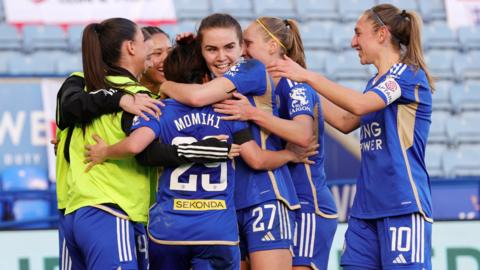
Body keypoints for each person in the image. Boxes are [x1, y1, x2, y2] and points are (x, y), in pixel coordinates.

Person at [84, 37, 314, 270]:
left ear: (171, 78)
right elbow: (256, 158)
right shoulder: (228, 110)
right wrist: (291, 155)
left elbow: (135, 146)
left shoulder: (158, 110)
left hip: (168, 230)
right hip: (217, 232)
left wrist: (105, 151)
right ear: (207, 79)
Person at [268, 4, 434, 269]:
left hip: (402, 205)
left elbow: (359, 106)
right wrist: (298, 86)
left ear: (381, 34)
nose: (353, 42)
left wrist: (309, 77)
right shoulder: (376, 84)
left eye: (358, 33)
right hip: (365, 209)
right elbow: (345, 121)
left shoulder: (407, 76)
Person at [158, 13, 308, 270]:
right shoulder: (209, 78)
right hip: (225, 206)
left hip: (265, 197)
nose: (221, 57)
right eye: (211, 49)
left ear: (242, 47)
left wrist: (166, 85)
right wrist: (186, 48)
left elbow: (197, 98)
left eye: (230, 47)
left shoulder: (249, 69)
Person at [213, 16, 338, 270]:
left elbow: (304, 135)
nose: (242, 51)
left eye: (247, 43)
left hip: (308, 202)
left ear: (272, 45)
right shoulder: (263, 87)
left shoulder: (294, 85)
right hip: (287, 198)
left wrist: (253, 114)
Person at [140, 26, 172, 96]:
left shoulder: (179, 93)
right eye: (158, 53)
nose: (167, 59)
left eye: (170, 52)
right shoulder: (121, 95)